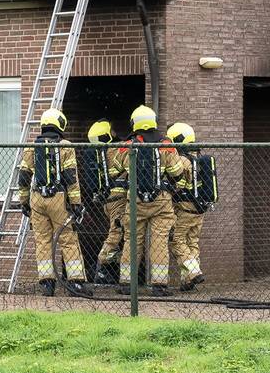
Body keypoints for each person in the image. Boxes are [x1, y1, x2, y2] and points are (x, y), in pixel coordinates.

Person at [113, 105, 186, 297]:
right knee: (159, 241)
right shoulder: (165, 143)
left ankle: (127, 284)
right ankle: (159, 286)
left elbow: (115, 167)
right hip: (161, 200)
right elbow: (178, 173)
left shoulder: (128, 144)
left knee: (131, 241)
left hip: (135, 201)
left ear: (135, 123)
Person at [17, 108, 86, 297]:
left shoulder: (32, 147)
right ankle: (76, 283)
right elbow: (71, 177)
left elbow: (23, 177)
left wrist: (24, 202)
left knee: (42, 241)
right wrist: (76, 203)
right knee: (68, 239)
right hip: (59, 198)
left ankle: (47, 284)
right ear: (60, 124)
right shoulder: (65, 145)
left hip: (37, 199)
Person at [86, 119, 127, 285]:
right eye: (112, 131)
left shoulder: (100, 153)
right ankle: (101, 268)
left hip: (108, 200)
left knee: (120, 234)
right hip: (117, 199)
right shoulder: (115, 150)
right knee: (116, 233)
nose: (115, 134)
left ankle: (110, 270)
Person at [166, 122, 206, 291]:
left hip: (184, 209)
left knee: (176, 240)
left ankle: (194, 271)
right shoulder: (198, 156)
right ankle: (188, 280)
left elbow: (180, 183)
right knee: (192, 242)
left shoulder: (182, 160)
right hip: (199, 209)